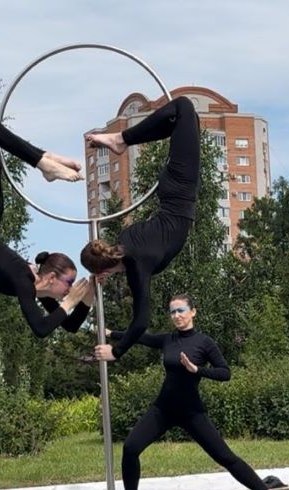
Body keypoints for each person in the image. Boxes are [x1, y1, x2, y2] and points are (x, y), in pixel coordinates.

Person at [108, 294, 289, 490]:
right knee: (130, 447)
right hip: (163, 409)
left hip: (191, 411)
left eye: (181, 310)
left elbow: (225, 373)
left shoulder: (204, 342)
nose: (177, 315)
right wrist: (110, 334)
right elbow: (139, 337)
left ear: (193, 311)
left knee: (224, 456)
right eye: (173, 312)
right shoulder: (168, 339)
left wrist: (197, 370)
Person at [80, 97, 200, 361]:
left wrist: (117, 352)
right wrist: (109, 270)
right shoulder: (125, 238)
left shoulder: (137, 268)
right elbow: (126, 256)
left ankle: (120, 139)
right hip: (172, 189)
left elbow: (141, 321)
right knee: (177, 119)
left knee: (183, 108)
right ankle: (122, 139)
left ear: (106, 269)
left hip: (181, 187)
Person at [0, 114, 93, 336]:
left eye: (70, 284)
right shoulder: (29, 282)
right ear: (51, 278)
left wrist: (83, 300)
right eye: (69, 283)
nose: (70, 289)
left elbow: (63, 326)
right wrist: (72, 302)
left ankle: (44, 161)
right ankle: (44, 162)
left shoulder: (26, 282)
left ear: (50, 278)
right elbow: (48, 326)